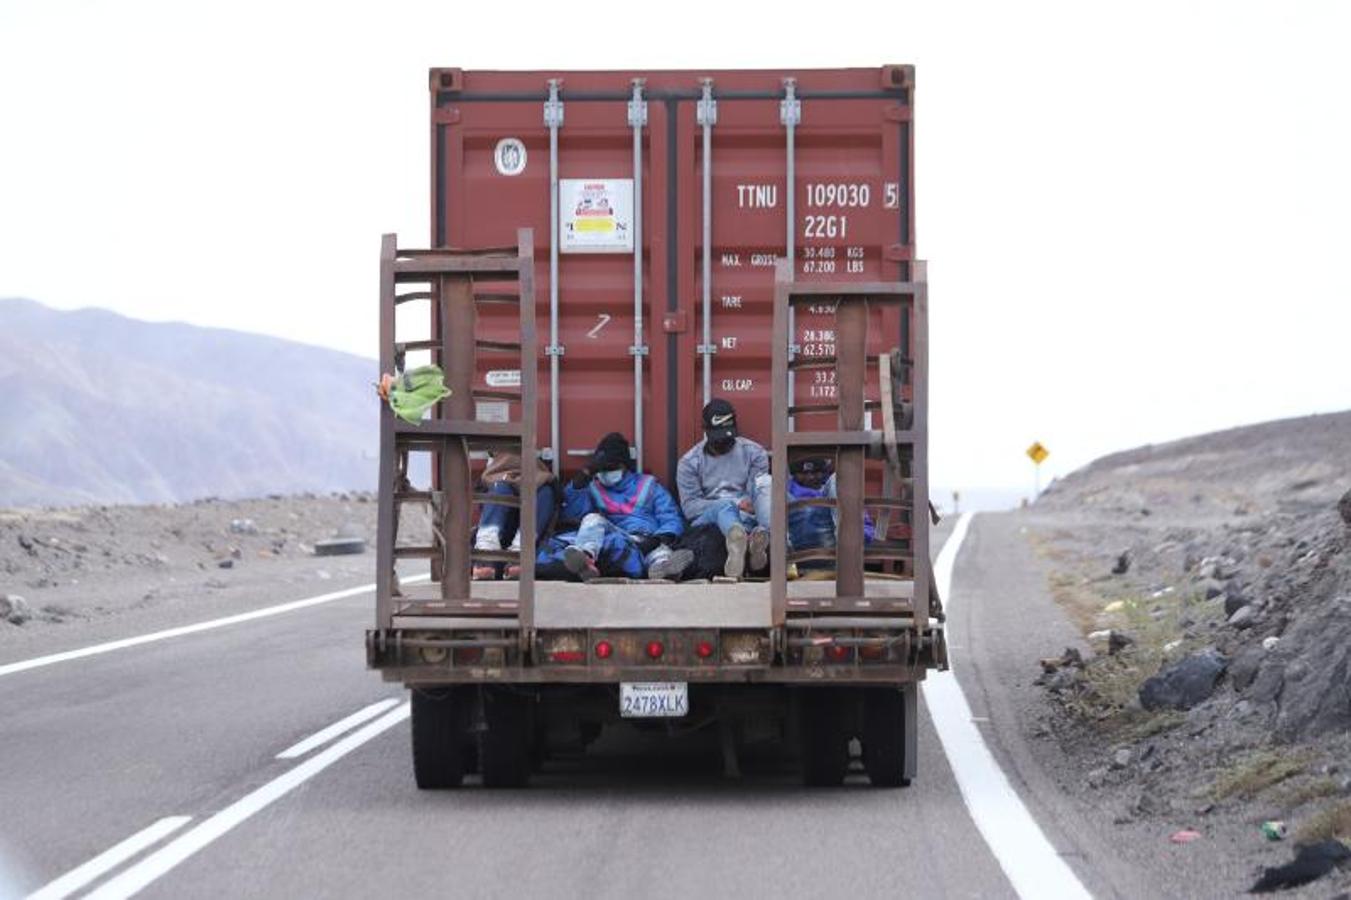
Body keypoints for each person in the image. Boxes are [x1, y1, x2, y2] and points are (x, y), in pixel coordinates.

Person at [539, 432, 693, 581]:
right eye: (603, 468)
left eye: (612, 467)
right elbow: (571, 514)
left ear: (624, 466)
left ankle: (663, 569)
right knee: (592, 520)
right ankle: (586, 559)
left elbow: (670, 516)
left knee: (660, 552)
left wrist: (660, 538)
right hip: (615, 534)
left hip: (645, 538)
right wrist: (582, 477)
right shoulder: (594, 487)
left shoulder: (648, 485)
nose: (607, 472)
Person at [676, 399, 773, 578]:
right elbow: (690, 508)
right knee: (723, 507)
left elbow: (756, 497)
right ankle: (738, 539)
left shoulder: (754, 453)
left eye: (729, 437)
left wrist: (748, 506)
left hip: (747, 517)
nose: (724, 443)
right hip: (709, 520)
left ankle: (757, 541)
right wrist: (731, 504)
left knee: (767, 483)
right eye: (718, 438)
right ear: (705, 429)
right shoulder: (689, 463)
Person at [473, 452, 557, 580]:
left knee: (546, 493)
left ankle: (518, 556)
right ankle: (485, 556)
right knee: (500, 488)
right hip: (502, 525)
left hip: (528, 536)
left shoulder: (544, 490)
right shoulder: (498, 482)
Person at [787, 456, 875, 555]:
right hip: (794, 547)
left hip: (834, 547)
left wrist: (860, 534)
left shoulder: (834, 488)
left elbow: (866, 528)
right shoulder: (785, 491)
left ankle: (844, 535)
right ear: (794, 474)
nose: (810, 477)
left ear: (824, 471)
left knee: (837, 479)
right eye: (803, 473)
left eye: (815, 472)